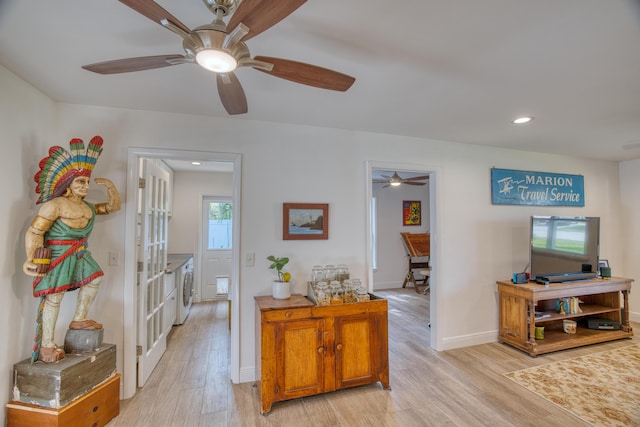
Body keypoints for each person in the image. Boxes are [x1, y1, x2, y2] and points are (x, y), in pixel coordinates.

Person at [23, 136, 121, 363]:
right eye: (80, 182)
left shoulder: (87, 207)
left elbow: (111, 207)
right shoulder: (55, 205)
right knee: (54, 298)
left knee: (94, 279)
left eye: (87, 182)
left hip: (80, 252)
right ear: (67, 185)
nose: (85, 186)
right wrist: (30, 257)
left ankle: (79, 318)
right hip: (59, 254)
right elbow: (36, 231)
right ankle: (47, 345)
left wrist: (111, 188)